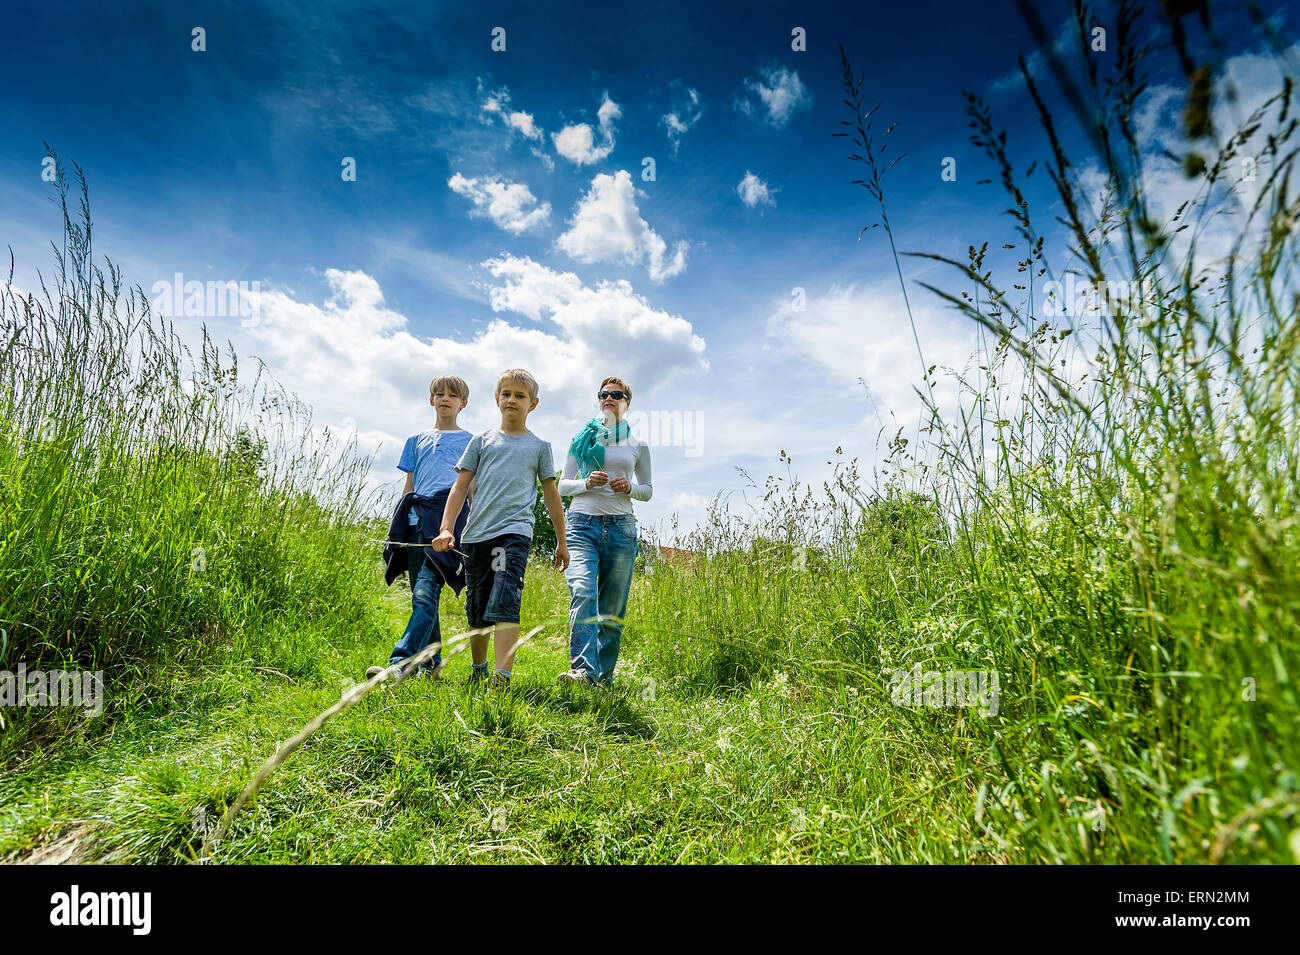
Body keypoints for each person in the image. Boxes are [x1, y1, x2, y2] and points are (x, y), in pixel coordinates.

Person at [432, 368, 568, 688]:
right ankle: (479, 670)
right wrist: (446, 528)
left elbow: (551, 495)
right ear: (496, 399)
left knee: (506, 596)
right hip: (477, 535)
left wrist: (561, 542)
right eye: (506, 394)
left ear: (532, 404)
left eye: (520, 396)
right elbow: (460, 487)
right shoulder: (482, 441)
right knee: (477, 608)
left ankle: (501, 678)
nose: (512, 400)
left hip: (514, 534)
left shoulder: (539, 447)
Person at [368, 376, 473, 682]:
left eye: (452, 395)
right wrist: (400, 523)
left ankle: (400, 663)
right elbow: (410, 485)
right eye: (439, 394)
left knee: (426, 593)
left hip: (448, 525)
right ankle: (432, 664)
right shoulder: (415, 441)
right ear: (431, 400)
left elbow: (471, 487)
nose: (445, 399)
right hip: (416, 523)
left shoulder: (470, 442)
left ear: (462, 403)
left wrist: (473, 525)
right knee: (422, 595)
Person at [557, 376, 652, 686]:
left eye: (617, 394)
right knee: (583, 592)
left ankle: (602, 679)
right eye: (604, 394)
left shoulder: (637, 444)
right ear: (599, 400)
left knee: (611, 610)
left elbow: (648, 490)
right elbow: (562, 485)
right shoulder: (582, 438)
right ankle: (582, 671)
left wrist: (630, 488)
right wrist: (586, 483)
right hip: (582, 526)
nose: (609, 398)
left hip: (621, 530)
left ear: (627, 402)